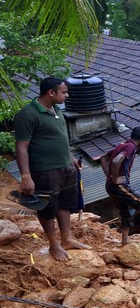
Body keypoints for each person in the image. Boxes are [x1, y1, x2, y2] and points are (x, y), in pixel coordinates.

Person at [13, 77, 90, 261]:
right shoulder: (28, 114)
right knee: (47, 207)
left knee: (65, 204)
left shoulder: (56, 110)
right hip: (45, 171)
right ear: (51, 93)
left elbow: (60, 138)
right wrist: (26, 176)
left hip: (65, 167)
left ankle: (67, 238)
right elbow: (21, 148)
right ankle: (53, 245)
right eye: (64, 92)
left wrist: (71, 159)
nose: (67, 95)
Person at [104, 126, 140, 247]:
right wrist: (114, 179)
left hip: (110, 186)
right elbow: (115, 161)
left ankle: (124, 242)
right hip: (118, 185)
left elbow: (104, 158)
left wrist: (109, 177)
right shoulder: (131, 147)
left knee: (126, 211)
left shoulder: (122, 144)